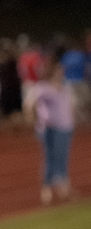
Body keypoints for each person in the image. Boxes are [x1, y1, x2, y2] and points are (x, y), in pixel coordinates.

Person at [24, 54, 76, 204]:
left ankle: (63, 188)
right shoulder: (42, 88)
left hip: (65, 127)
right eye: (59, 69)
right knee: (50, 158)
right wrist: (36, 120)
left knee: (62, 158)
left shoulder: (65, 87)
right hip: (50, 128)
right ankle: (46, 189)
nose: (62, 71)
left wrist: (71, 120)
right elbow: (29, 104)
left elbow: (70, 106)